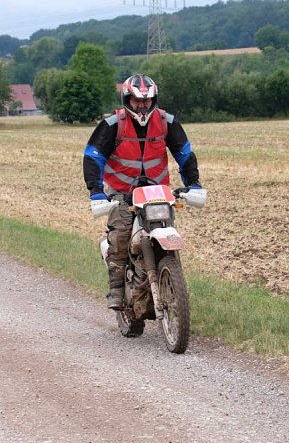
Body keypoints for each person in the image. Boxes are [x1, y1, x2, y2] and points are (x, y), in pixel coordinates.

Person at [83, 74, 202, 310]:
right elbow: (93, 157)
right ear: (127, 99)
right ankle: (116, 289)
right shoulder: (112, 125)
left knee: (165, 230)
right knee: (121, 236)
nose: (142, 106)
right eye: (137, 101)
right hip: (121, 194)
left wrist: (194, 184)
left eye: (146, 101)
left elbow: (185, 154)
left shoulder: (167, 122)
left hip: (157, 194)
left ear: (153, 100)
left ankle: (169, 280)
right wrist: (96, 192)